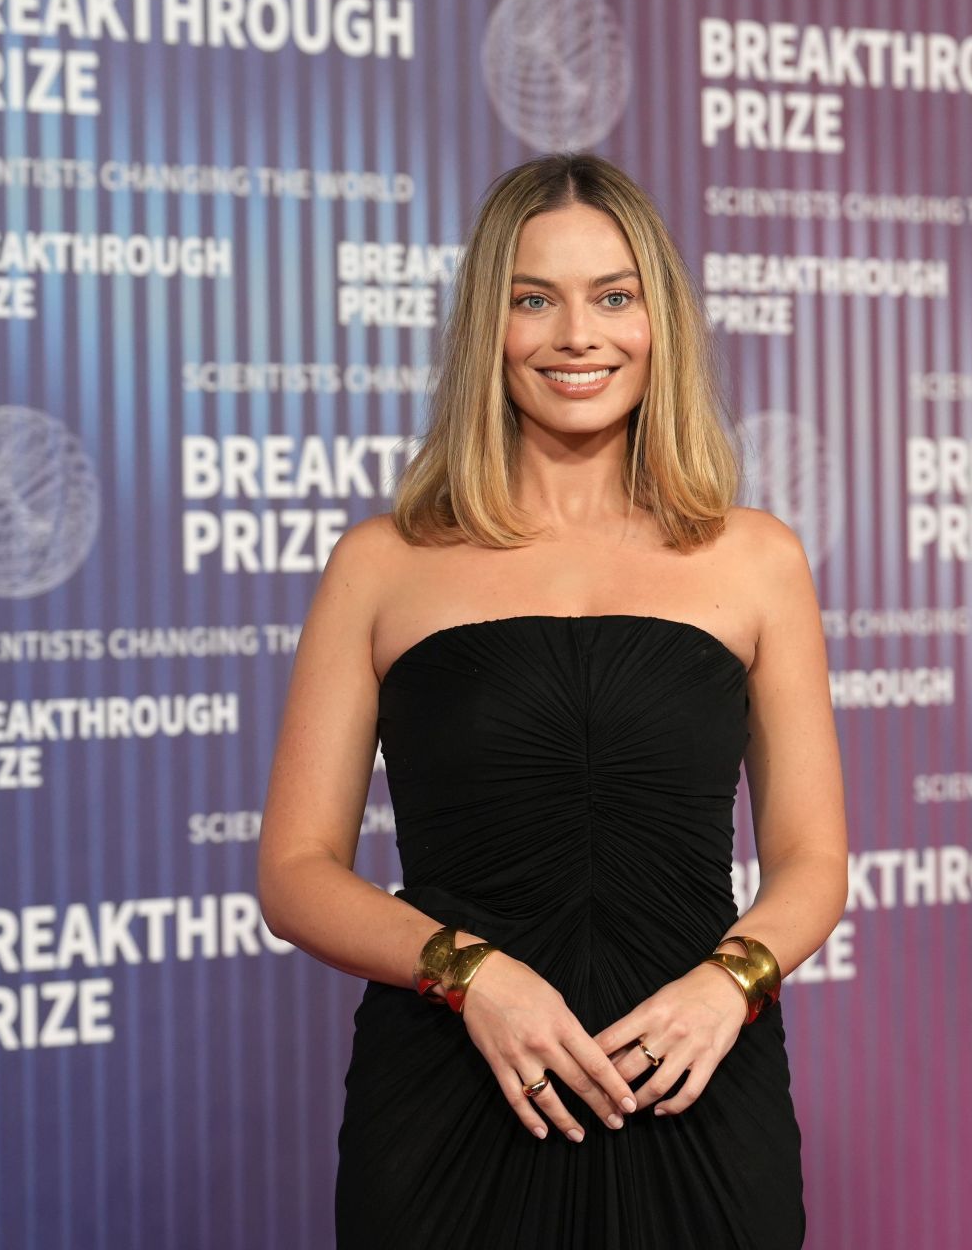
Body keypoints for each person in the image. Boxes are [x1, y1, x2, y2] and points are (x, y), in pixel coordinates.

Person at [257, 153, 849, 1249]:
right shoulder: (382, 565)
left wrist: (731, 984)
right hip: (450, 1098)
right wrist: (468, 972)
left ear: (658, 320)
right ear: (492, 325)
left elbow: (814, 857)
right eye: (536, 299)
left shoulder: (757, 557)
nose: (578, 334)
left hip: (696, 1083)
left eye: (613, 296)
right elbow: (295, 874)